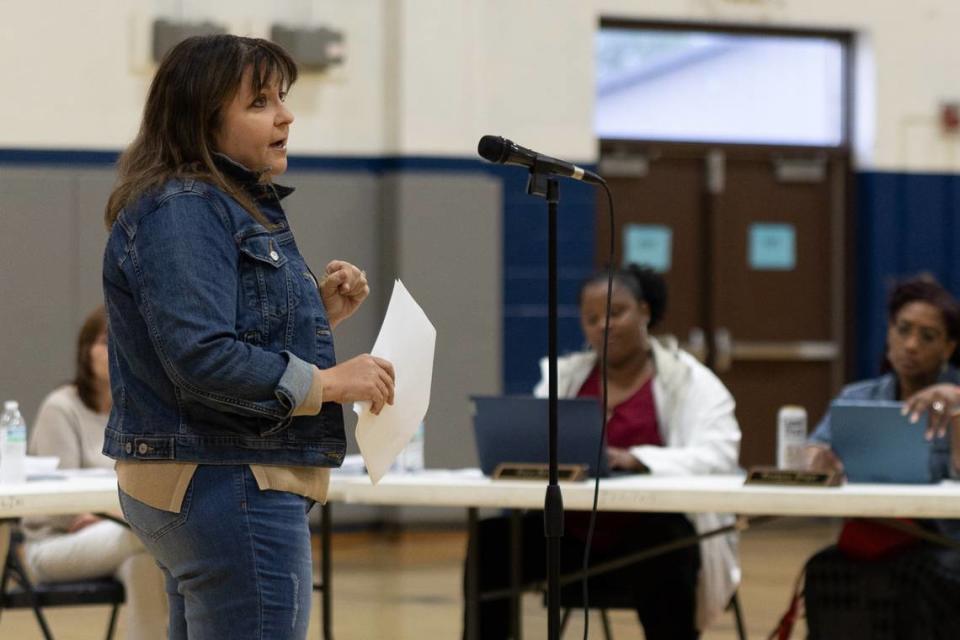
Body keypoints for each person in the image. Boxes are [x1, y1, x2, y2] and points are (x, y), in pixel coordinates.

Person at [101, 35, 395, 640]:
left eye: (282, 98)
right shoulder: (186, 206)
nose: (286, 115)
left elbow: (217, 336)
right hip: (227, 480)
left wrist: (315, 310)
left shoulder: (202, 203)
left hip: (214, 477)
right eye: (260, 102)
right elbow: (200, 357)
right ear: (200, 120)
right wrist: (330, 381)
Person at [466, 264, 741, 639]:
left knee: (666, 545)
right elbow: (533, 442)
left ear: (645, 311)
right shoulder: (564, 378)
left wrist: (638, 458)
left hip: (647, 535)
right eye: (592, 318)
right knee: (493, 542)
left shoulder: (689, 380)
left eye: (616, 312)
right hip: (572, 535)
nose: (604, 326)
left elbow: (719, 454)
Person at [802, 276, 960, 640]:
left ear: (949, 348)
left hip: (943, 543)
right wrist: (820, 459)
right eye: (902, 330)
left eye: (927, 336)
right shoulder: (858, 399)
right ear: (888, 333)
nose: (910, 345)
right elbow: (813, 452)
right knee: (824, 569)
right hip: (875, 536)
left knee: (931, 579)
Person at [21, 307, 167, 640]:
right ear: (85, 352)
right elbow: (58, 506)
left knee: (144, 564)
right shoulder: (61, 407)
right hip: (54, 545)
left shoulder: (136, 410)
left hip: (118, 536)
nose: (115, 350)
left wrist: (109, 516)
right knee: (154, 534)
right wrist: (118, 516)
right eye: (105, 342)